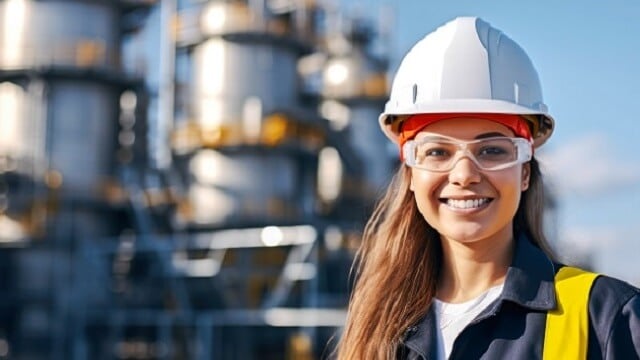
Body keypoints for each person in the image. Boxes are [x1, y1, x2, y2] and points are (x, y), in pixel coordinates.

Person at [335, 16, 640, 359]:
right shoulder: (376, 329)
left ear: (525, 172)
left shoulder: (609, 320)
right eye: (437, 151)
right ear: (410, 173)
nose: (464, 174)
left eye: (492, 150)